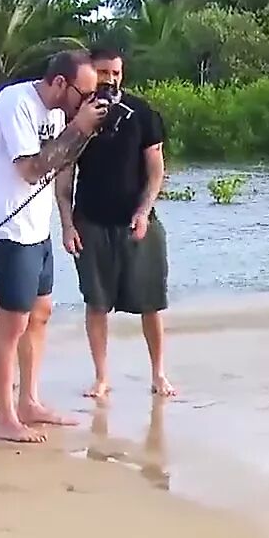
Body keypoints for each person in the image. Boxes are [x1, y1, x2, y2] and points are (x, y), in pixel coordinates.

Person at [0, 49, 107, 443]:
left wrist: (84, 130)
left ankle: (29, 401)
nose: (85, 102)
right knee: (12, 321)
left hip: (38, 226)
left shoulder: (58, 113)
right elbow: (31, 168)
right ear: (59, 83)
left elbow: (62, 161)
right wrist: (78, 126)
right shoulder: (16, 102)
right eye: (83, 94)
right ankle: (4, 415)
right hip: (10, 228)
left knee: (41, 312)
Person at [56, 47, 176, 398]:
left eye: (116, 73)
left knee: (151, 302)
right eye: (103, 72)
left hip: (136, 221)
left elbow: (156, 169)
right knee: (96, 303)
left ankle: (158, 373)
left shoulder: (142, 113)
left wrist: (144, 211)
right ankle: (101, 377)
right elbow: (64, 176)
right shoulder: (76, 117)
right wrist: (66, 224)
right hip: (91, 221)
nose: (110, 79)